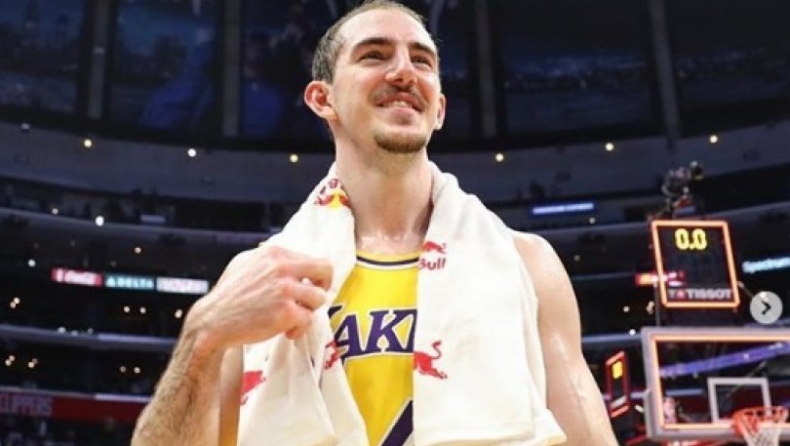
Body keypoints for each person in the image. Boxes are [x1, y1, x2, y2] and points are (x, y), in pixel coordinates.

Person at [130, 1, 618, 445]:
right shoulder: (258, 277)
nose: (404, 72)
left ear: (439, 108)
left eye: (422, 61)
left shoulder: (526, 264)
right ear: (322, 100)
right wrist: (201, 336)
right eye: (374, 55)